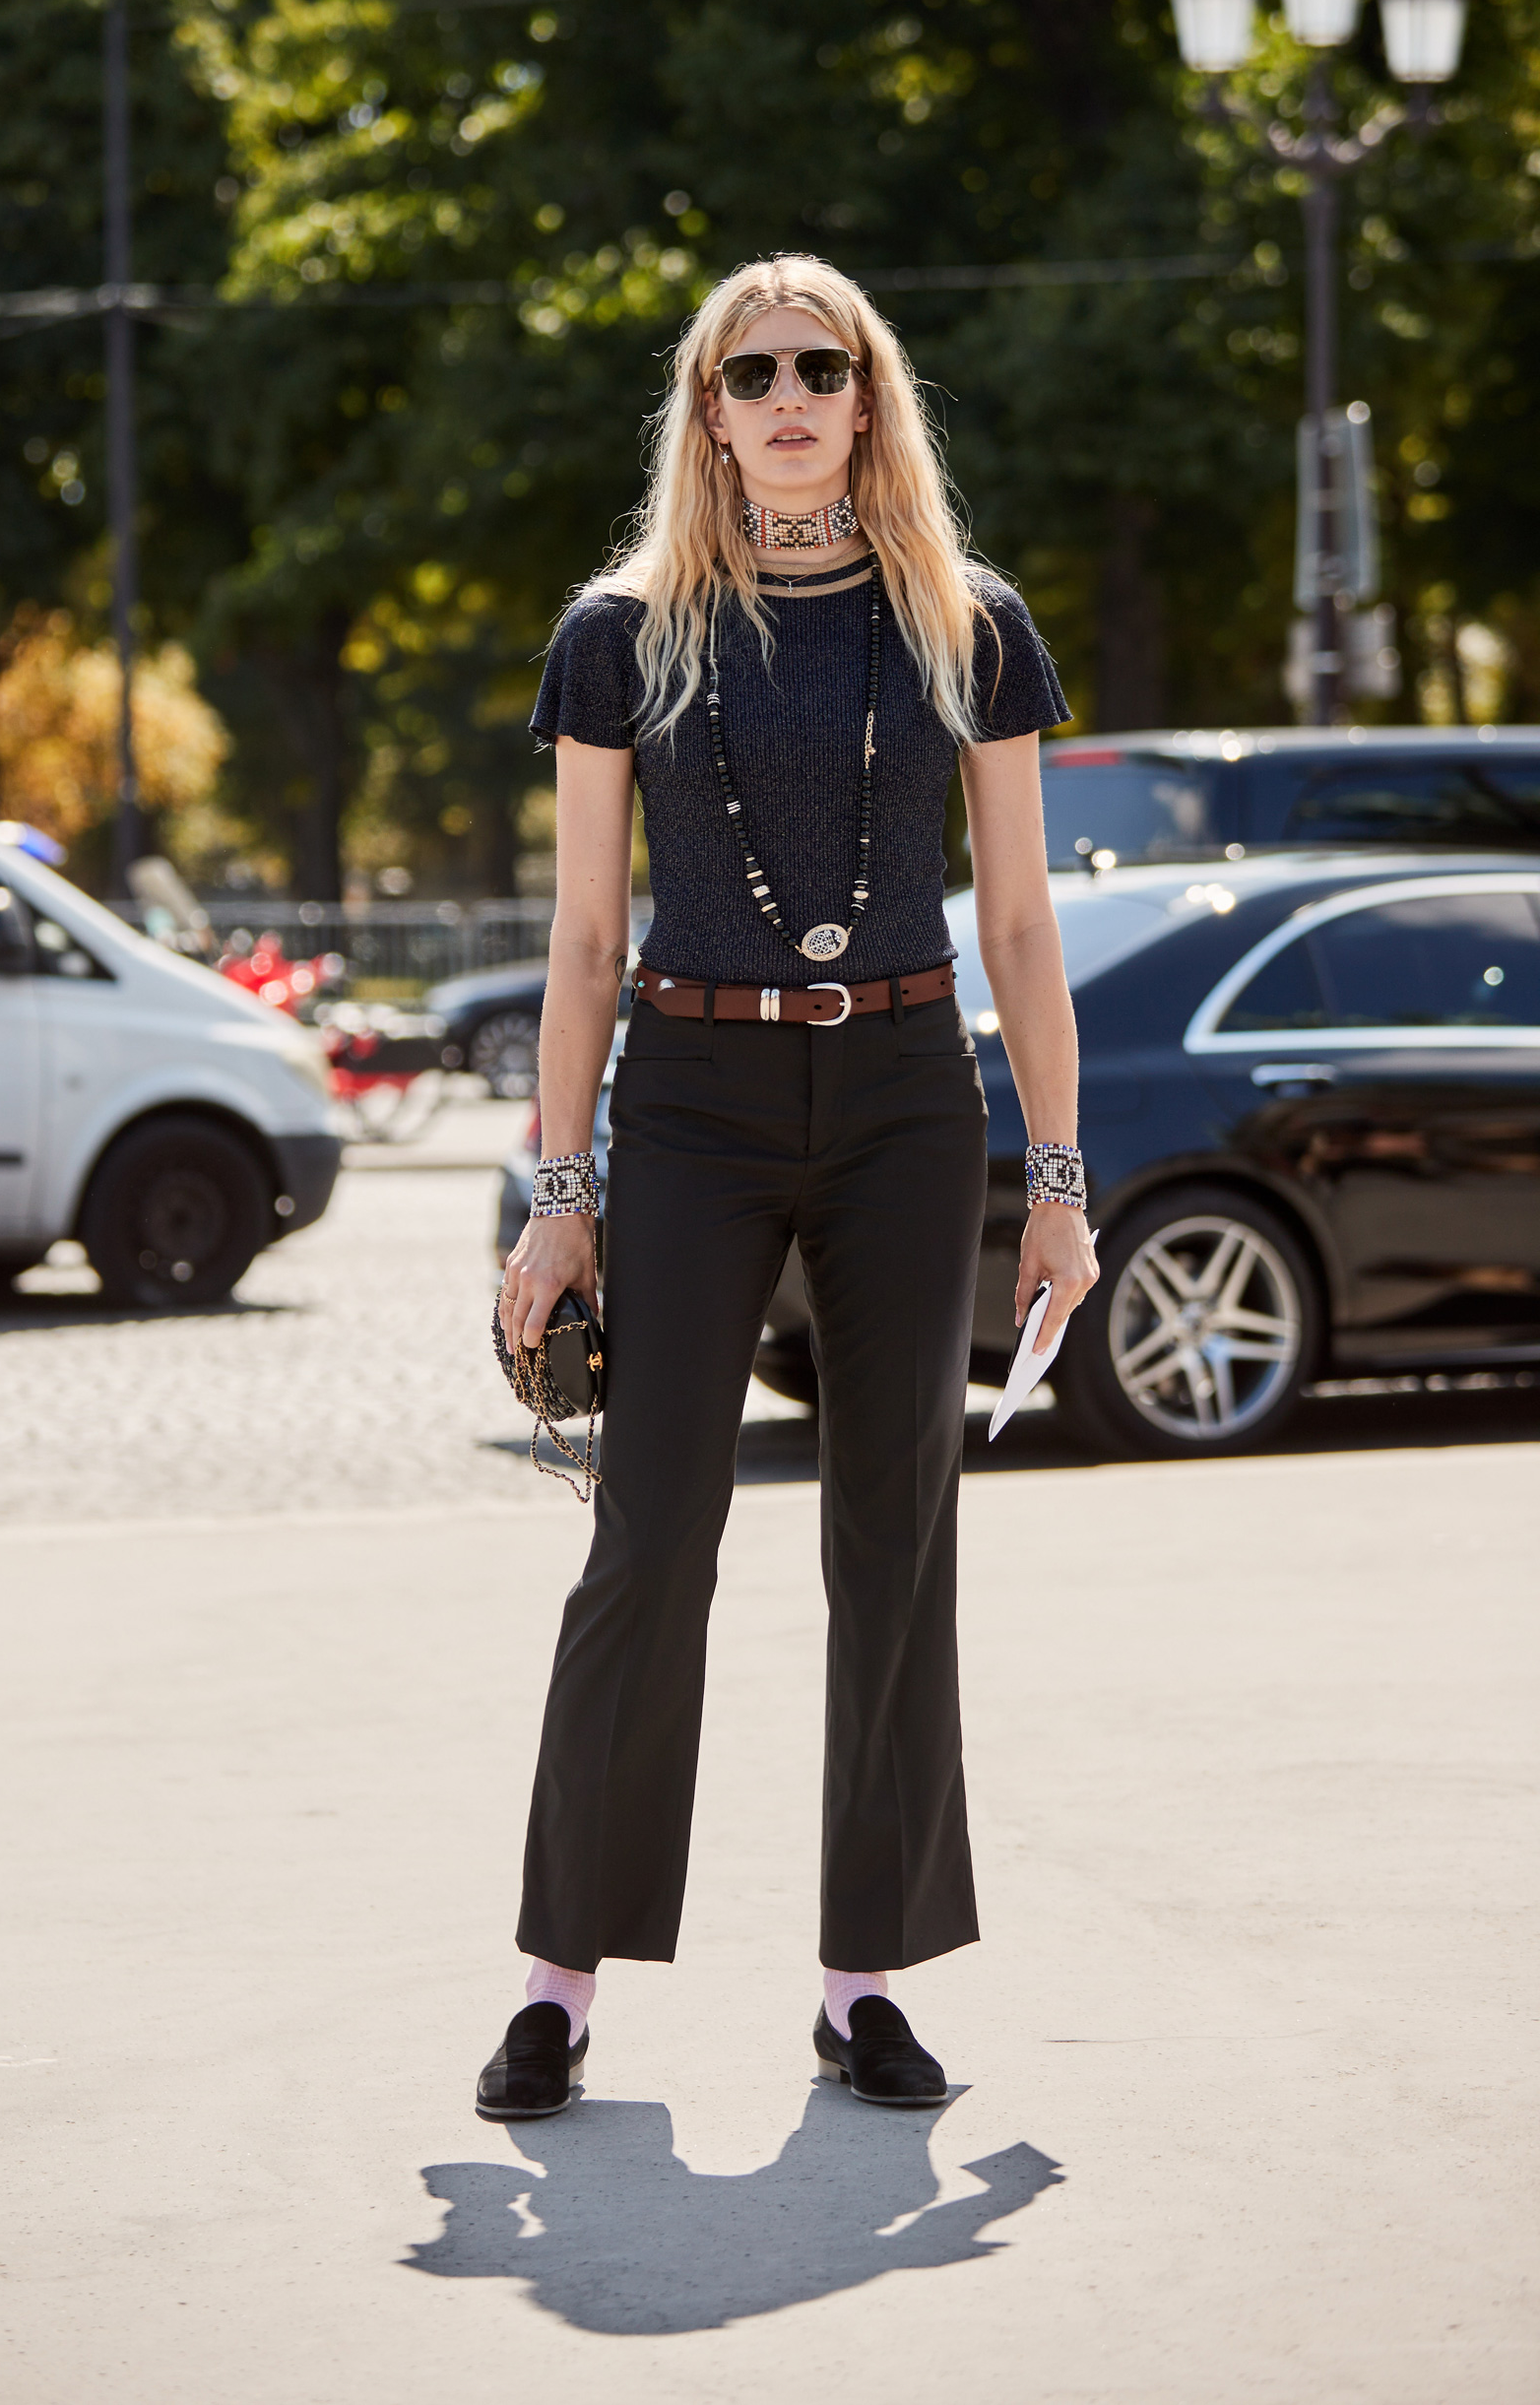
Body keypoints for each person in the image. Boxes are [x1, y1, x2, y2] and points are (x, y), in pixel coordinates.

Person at [481, 254, 1099, 2120]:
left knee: (894, 1535)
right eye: (750, 372)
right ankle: (558, 1986)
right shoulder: (622, 631)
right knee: (650, 1534)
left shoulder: (964, 624)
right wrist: (559, 1187)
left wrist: (1058, 1180)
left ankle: (863, 1983)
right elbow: (586, 938)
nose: (787, 395)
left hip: (912, 1091)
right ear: (707, 408)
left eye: (822, 365)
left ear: (869, 392)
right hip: (693, 1092)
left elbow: (1015, 919)